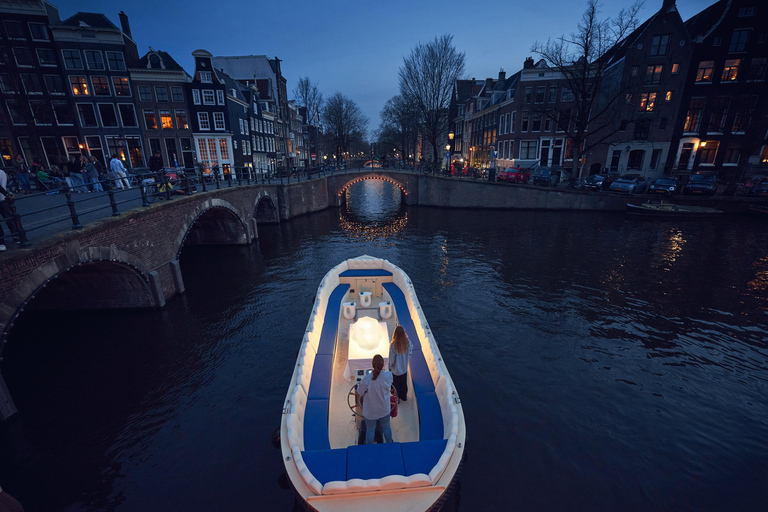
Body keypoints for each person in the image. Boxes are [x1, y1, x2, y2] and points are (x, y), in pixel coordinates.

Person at [356, 354, 394, 445]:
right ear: (383, 365)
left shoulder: (366, 379)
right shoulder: (388, 376)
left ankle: (369, 448)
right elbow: (389, 383)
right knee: (386, 427)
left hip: (370, 411)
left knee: (370, 429)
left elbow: (360, 392)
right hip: (384, 409)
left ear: (372, 365)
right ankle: (389, 444)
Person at [388, 325, 413, 402]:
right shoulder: (408, 343)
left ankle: (397, 399)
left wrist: (390, 366)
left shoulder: (394, 345)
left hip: (396, 370)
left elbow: (391, 358)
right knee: (403, 383)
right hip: (404, 369)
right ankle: (404, 397)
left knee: (396, 385)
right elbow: (410, 352)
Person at [0, 169, 19, 251]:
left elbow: (1, 186)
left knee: (9, 217)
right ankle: (14, 236)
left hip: (2, 199)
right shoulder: (2, 173)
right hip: (2, 198)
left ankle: (4, 240)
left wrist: (5, 194)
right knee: (9, 217)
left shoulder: (1, 173)